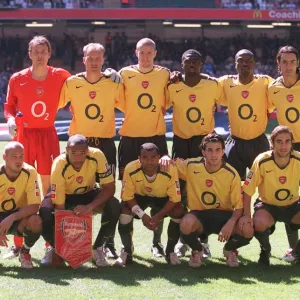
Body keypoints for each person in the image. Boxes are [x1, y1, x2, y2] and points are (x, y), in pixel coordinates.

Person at [4, 35, 71, 260]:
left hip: (47, 135)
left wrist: (110, 74)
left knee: (48, 189)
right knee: (23, 188)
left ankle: (49, 244)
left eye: (44, 51)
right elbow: (9, 107)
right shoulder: (17, 78)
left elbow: (81, 85)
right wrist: (11, 120)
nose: (40, 55)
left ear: (49, 54)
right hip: (24, 136)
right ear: (29, 54)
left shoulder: (61, 75)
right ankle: (18, 243)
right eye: (36, 51)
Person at [58, 42, 123, 259]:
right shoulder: (72, 82)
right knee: (70, 190)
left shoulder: (112, 82)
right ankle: (63, 241)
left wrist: (118, 74)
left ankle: (107, 243)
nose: (94, 62)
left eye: (98, 58)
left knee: (107, 192)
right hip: (79, 145)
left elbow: (129, 103)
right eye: (90, 58)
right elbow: (54, 103)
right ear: (83, 59)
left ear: (103, 60)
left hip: (105, 142)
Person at [167, 49, 222, 258]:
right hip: (181, 143)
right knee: (179, 193)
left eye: (196, 62)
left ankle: (204, 241)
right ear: (182, 64)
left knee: (202, 192)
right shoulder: (173, 86)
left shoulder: (212, 85)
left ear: (202, 65)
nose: (192, 65)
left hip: (204, 143)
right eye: (188, 62)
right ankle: (183, 241)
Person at [118, 38, 170, 258]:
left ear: (155, 53)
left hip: (156, 137)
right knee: (127, 192)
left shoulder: (165, 74)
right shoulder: (123, 74)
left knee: (161, 191)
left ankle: (157, 244)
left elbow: (167, 102)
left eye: (150, 52)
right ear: (135, 52)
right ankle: (126, 248)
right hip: (129, 139)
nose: (146, 56)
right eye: (142, 52)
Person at [39, 134, 120, 267]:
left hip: (88, 193)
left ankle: (97, 248)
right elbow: (60, 207)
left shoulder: (97, 156)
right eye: (73, 153)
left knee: (114, 205)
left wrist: (89, 207)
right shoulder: (59, 164)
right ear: (66, 150)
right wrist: (63, 249)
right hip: (65, 195)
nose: (77, 157)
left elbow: (109, 188)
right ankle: (54, 247)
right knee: (45, 212)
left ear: (87, 151)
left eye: (82, 153)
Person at [177, 133, 253, 268]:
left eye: (218, 150)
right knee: (186, 223)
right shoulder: (191, 166)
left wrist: (231, 222)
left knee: (247, 228)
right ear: (203, 152)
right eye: (209, 150)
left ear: (223, 151)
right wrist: (165, 158)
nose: (214, 154)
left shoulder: (232, 174)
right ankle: (197, 250)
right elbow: (172, 165)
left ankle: (230, 250)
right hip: (199, 216)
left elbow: (238, 205)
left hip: (224, 216)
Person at [114, 143, 184, 266]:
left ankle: (170, 251)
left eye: (153, 158)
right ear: (139, 158)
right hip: (140, 197)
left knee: (179, 209)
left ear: (159, 158)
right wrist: (142, 215)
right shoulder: (130, 168)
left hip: (163, 197)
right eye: (145, 158)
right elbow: (127, 197)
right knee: (124, 209)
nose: (149, 162)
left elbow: (175, 198)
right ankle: (127, 251)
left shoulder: (170, 169)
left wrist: (158, 216)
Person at [241, 126, 300, 266]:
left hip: (292, 206)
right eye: (279, 141)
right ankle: (265, 250)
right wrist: (246, 215)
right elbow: (248, 190)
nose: (284, 145)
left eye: (287, 141)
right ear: (272, 143)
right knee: (259, 222)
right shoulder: (262, 161)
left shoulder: (298, 160)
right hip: (268, 207)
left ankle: (296, 252)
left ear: (292, 143)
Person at [267, 45, 300, 261]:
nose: (287, 66)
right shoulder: (272, 88)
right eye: (284, 62)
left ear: (298, 64)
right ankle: (294, 250)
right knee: (288, 197)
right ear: (278, 64)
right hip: (285, 148)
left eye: (292, 62)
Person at [0, 142, 42, 268]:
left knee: (36, 221)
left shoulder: (29, 172)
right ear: (4, 157)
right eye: (14, 156)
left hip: (18, 217)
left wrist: (12, 217)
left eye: (21, 156)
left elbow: (35, 206)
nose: (19, 160)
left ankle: (25, 252)